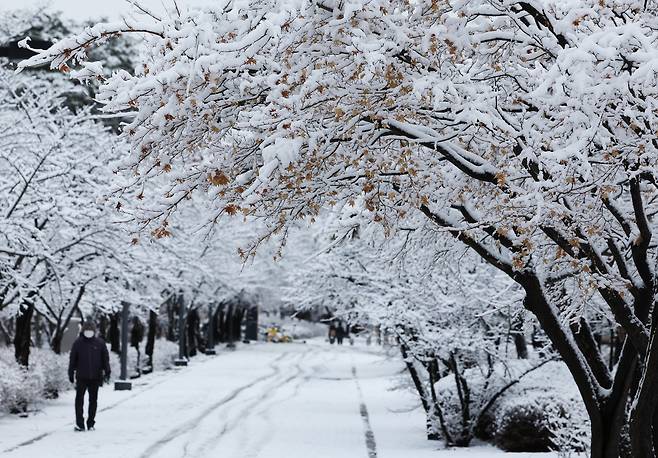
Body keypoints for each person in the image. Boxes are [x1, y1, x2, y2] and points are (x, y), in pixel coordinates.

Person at [68, 321, 111, 432]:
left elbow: (105, 359)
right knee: (79, 400)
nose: (88, 332)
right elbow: (72, 359)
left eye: (90, 330)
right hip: (81, 376)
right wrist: (71, 372)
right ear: (83, 331)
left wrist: (107, 371)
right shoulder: (78, 343)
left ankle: (91, 422)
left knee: (93, 400)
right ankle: (80, 423)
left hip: (95, 376)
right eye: (87, 330)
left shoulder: (100, 343)